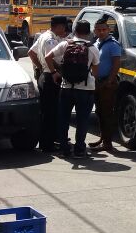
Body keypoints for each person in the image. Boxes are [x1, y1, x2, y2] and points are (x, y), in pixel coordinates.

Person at [45, 20, 100, 159]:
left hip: (66, 87)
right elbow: (95, 71)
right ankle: (80, 150)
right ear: (89, 33)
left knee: (63, 119)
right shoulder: (92, 48)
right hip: (86, 89)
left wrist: (54, 73)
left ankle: (64, 149)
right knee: (83, 120)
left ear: (74, 30)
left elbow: (48, 57)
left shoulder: (65, 44)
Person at [28, 16, 69, 152]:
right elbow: (53, 60)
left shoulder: (43, 36)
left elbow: (31, 53)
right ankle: (47, 144)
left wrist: (41, 68)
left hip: (45, 75)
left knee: (47, 111)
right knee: (50, 112)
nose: (65, 30)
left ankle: (47, 141)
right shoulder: (51, 40)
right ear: (60, 26)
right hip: (52, 77)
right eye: (64, 27)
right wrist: (54, 71)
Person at [89, 18, 122, 152]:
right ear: (95, 31)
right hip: (96, 83)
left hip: (107, 83)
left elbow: (116, 64)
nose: (101, 32)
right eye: (99, 30)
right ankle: (103, 139)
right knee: (99, 112)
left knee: (107, 113)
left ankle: (108, 143)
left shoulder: (113, 44)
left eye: (104, 30)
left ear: (108, 30)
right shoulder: (96, 43)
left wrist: (109, 81)